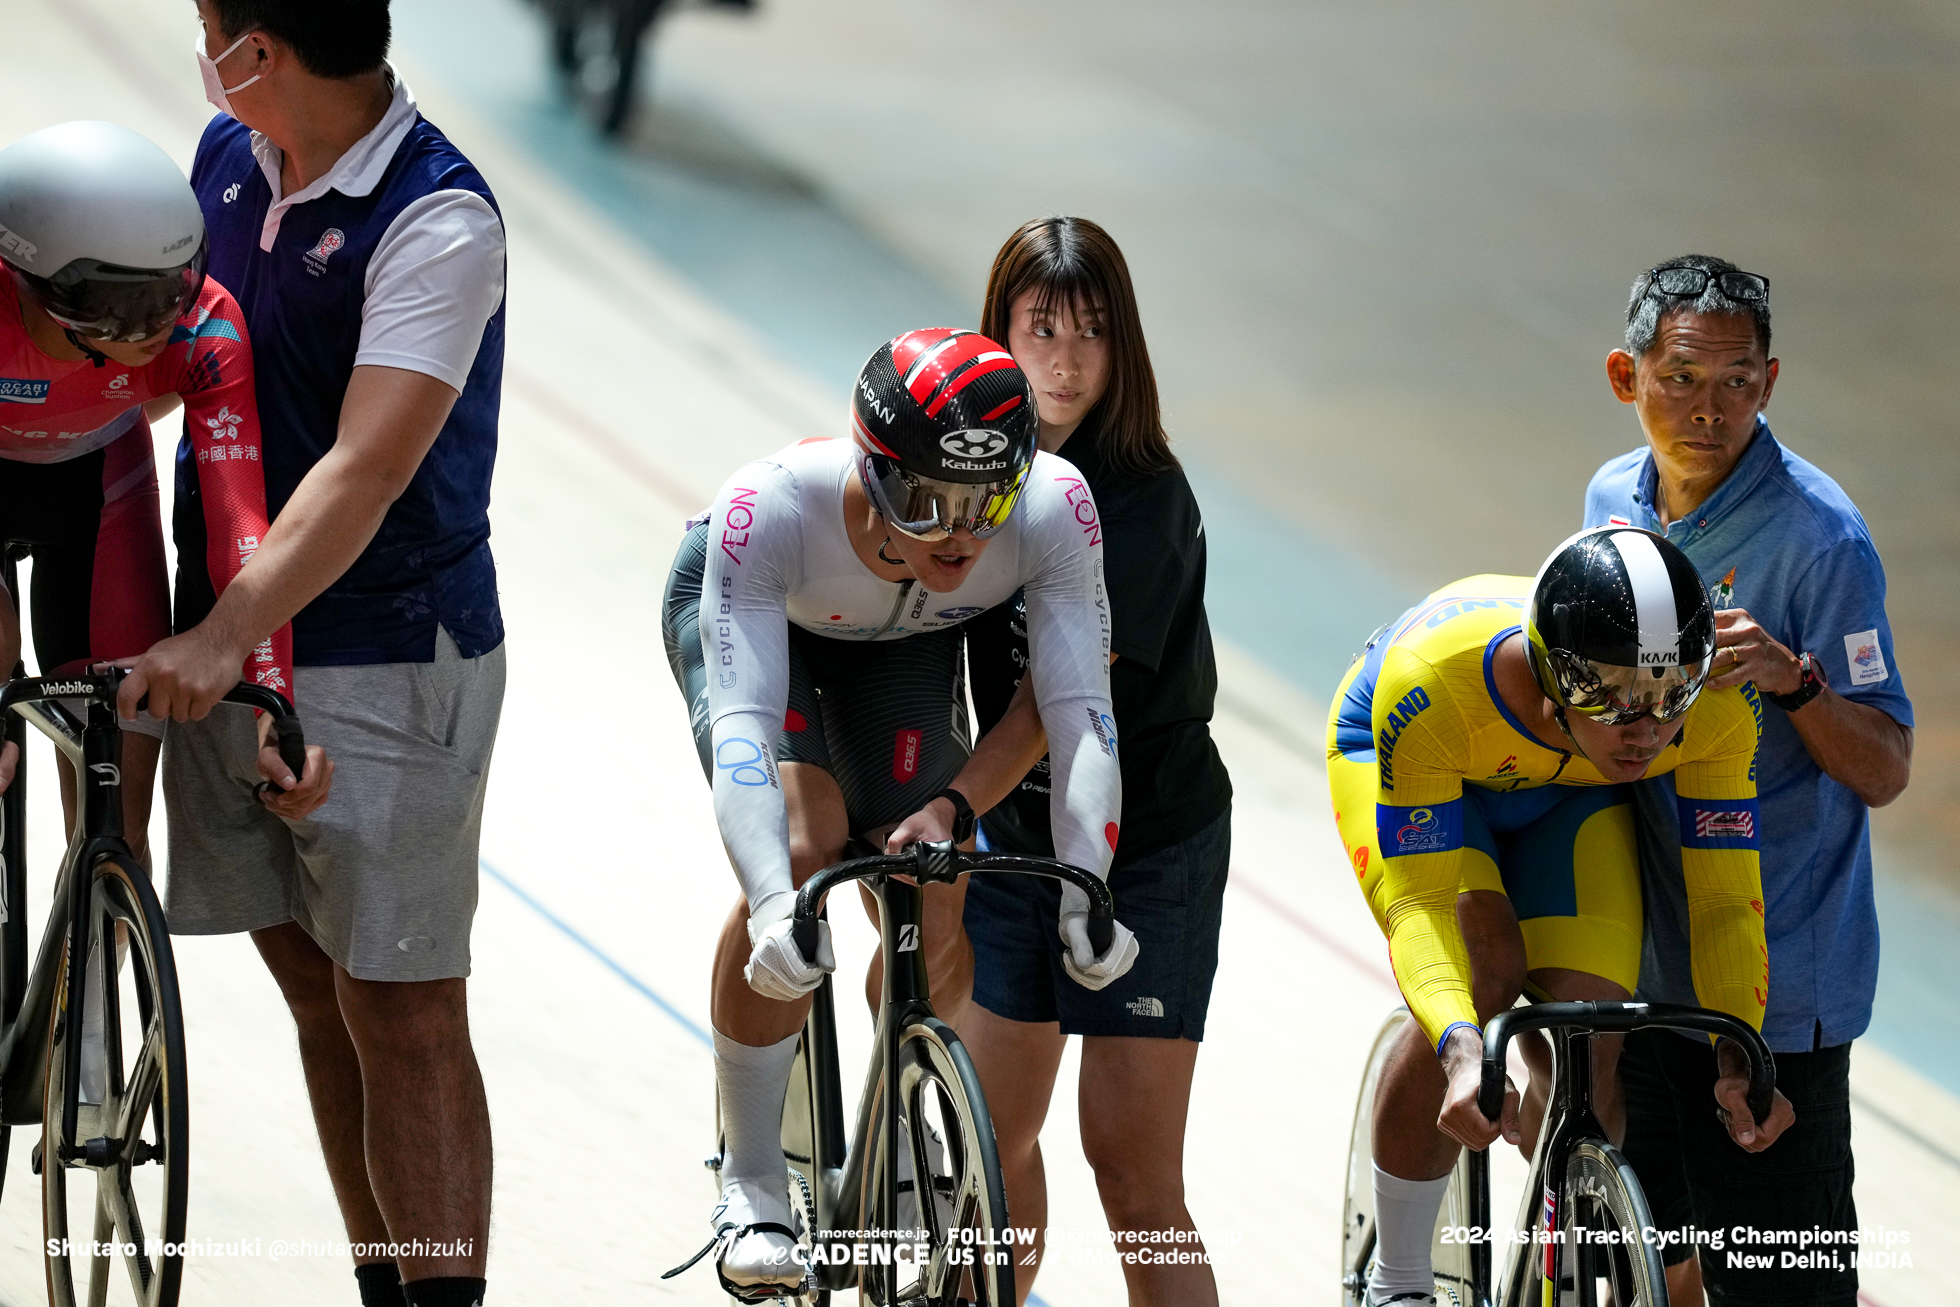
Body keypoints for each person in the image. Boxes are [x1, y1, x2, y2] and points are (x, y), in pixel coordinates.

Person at [130, 6, 510, 1305]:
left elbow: (367, 467)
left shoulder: (439, 219)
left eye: (206, 25)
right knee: (317, 988)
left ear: (264, 50)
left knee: (403, 1007)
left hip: (384, 650)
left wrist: (226, 633)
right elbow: (174, 359)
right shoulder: (227, 160)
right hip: (222, 634)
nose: (201, 48)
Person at [661, 328, 1136, 1299]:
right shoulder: (772, 507)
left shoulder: (1054, 506)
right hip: (768, 640)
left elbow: (1080, 707)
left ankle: (907, 1094)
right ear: (873, 469)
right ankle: (752, 1179)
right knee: (804, 852)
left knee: (938, 876)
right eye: (925, 503)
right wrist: (766, 903)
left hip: (900, 648)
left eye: (983, 504)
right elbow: (748, 727)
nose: (959, 534)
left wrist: (1090, 885)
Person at [1324, 528, 1794, 1307]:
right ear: (1554, 678)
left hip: (1564, 784)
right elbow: (1419, 904)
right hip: (1417, 753)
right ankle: (1397, 1279)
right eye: (1609, 691)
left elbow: (1722, 901)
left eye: (1669, 690)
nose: (1643, 727)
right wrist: (1459, 1045)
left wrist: (1738, 1051)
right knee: (1488, 971)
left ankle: (1561, 1238)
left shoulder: (1714, 708)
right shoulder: (1433, 683)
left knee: (1594, 1035)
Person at [1586, 256, 1913, 1307]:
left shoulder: (1823, 542)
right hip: (1650, 967)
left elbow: (1886, 765)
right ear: (1624, 376)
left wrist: (1795, 679)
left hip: (1778, 993)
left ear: (1769, 383)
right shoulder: (1608, 498)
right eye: (1680, 377)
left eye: (1735, 383)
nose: (1707, 409)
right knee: (1662, 1262)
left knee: (1783, 1287)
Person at [957, 216, 1232, 1306]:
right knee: (990, 1139)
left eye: (1092, 333)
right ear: (1002, 335)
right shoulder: (970, 463)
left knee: (1132, 1169)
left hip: (1149, 847)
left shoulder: (1146, 498)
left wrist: (950, 798)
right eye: (1041, 330)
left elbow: (1059, 699)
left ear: (1124, 350)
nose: (1066, 361)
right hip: (1018, 841)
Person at [0, 120, 315, 854]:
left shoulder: (202, 328)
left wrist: (278, 709)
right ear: (46, 287)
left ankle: (90, 950)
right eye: (129, 305)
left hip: (99, 491)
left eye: (173, 289)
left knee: (117, 834)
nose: (159, 325)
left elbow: (241, 524)